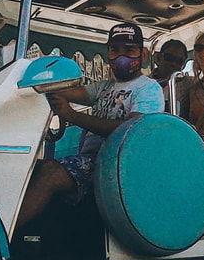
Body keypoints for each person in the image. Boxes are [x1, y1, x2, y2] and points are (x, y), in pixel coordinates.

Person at [16, 22, 164, 229]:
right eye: (114, 50)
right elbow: (67, 92)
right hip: (90, 160)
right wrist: (42, 85)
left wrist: (72, 115)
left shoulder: (149, 89)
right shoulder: (104, 87)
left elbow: (130, 131)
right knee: (32, 168)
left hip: (117, 165)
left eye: (129, 50)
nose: (121, 57)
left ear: (144, 54)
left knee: (50, 173)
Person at [150, 38, 188, 112]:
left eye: (179, 61)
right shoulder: (142, 83)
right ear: (158, 57)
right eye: (169, 58)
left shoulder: (189, 83)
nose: (173, 63)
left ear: (183, 65)